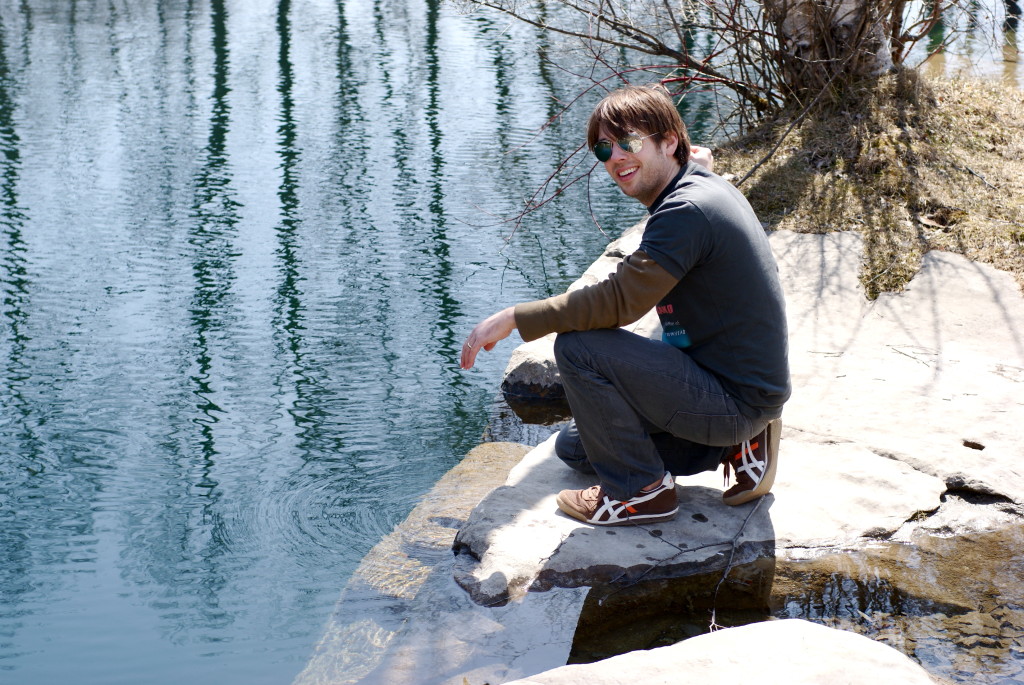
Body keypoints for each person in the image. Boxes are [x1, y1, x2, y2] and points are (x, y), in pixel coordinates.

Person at [460, 85, 790, 526]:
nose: (616, 158)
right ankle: (737, 444)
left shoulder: (686, 210)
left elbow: (620, 302)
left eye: (629, 142)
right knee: (574, 448)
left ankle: (642, 494)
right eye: (604, 149)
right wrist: (686, 157)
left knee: (579, 349)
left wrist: (517, 317)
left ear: (669, 142)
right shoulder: (696, 185)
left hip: (734, 398)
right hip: (733, 384)